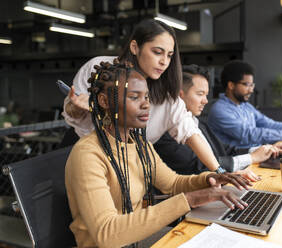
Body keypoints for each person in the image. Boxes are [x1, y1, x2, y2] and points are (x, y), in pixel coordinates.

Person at [65, 63, 252, 248]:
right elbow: (107, 234)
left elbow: (172, 183)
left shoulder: (138, 144)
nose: (146, 104)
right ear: (105, 101)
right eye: (134, 97)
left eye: (146, 97)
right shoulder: (88, 154)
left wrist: (209, 179)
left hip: (135, 241)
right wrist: (191, 199)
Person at [62, 19, 239, 174]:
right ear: (134, 47)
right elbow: (73, 116)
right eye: (157, 52)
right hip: (80, 155)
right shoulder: (98, 68)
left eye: (169, 55)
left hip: (124, 165)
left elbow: (191, 134)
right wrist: (78, 106)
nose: (164, 62)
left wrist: (219, 171)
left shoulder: (166, 97)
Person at [154, 64, 282, 176]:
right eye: (200, 94)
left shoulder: (199, 123)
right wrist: (251, 158)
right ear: (180, 96)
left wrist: (264, 150)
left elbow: (226, 149)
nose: (205, 101)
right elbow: (199, 166)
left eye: (206, 95)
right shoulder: (166, 134)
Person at [208, 60, 282, 148]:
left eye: (252, 85)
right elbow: (250, 134)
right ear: (231, 85)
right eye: (247, 84)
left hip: (255, 156)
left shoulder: (245, 106)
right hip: (236, 165)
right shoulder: (219, 110)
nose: (251, 90)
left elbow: (270, 124)